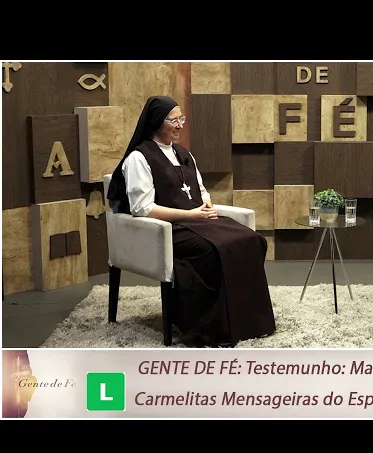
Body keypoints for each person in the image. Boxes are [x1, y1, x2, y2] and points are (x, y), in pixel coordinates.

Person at [106, 95, 276, 347]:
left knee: (251, 239)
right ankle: (210, 328)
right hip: (167, 229)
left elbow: (201, 190)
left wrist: (206, 204)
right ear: (156, 122)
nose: (180, 125)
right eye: (173, 120)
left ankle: (248, 322)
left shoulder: (184, 154)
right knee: (212, 249)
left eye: (181, 119)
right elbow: (143, 208)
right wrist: (192, 215)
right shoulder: (139, 158)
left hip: (198, 220)